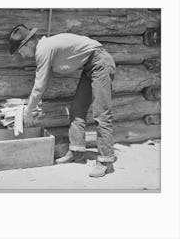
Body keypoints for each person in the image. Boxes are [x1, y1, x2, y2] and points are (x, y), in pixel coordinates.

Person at [8, 24, 116, 177]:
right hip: (90, 67)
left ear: (30, 43)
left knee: (101, 113)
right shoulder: (45, 49)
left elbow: (39, 85)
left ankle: (106, 161)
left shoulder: (43, 50)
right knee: (77, 109)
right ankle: (77, 153)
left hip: (100, 63)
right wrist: (34, 104)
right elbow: (44, 82)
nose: (22, 55)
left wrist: (29, 111)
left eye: (21, 50)